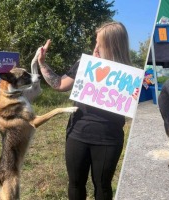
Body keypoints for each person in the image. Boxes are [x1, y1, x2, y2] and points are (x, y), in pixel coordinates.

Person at [37, 21, 132, 200]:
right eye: (95, 43)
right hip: (77, 133)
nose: (95, 48)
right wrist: (42, 63)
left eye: (100, 44)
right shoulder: (85, 64)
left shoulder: (128, 74)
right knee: (75, 183)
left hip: (108, 139)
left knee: (103, 186)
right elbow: (59, 84)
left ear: (113, 45)